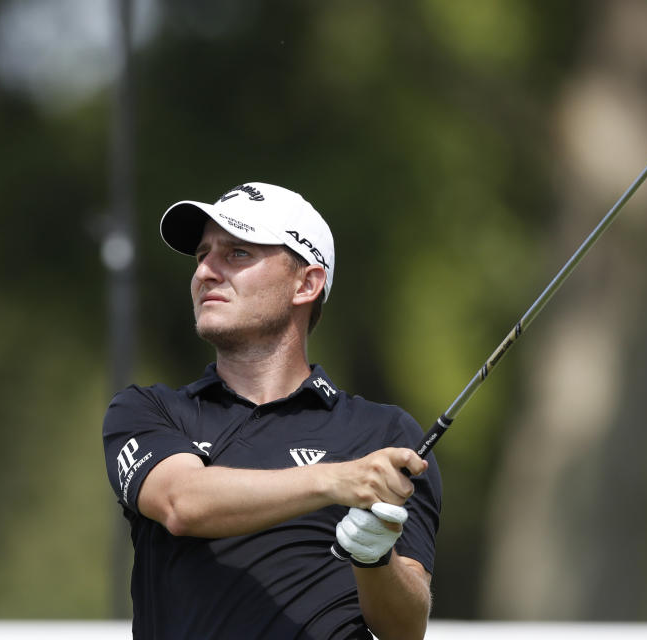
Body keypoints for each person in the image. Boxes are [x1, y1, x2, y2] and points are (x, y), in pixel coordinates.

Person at [103, 182, 442, 639]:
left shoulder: (384, 433)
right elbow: (180, 503)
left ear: (306, 283)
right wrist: (335, 480)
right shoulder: (150, 410)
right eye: (202, 254)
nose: (205, 271)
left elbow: (405, 628)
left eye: (237, 253)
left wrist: (376, 558)